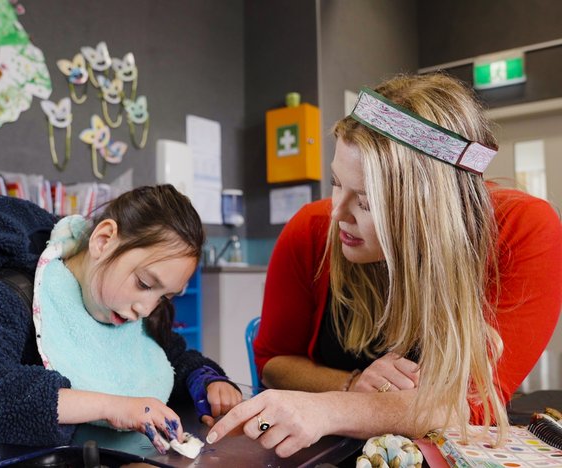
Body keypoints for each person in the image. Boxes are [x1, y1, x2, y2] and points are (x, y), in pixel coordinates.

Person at [206, 73, 562, 457]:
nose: (337, 213)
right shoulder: (310, 229)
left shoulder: (523, 230)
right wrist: (350, 384)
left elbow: (469, 404)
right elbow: (272, 364)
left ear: (432, 208)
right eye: (336, 182)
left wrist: (328, 409)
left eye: (368, 202)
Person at [0, 185, 242, 451]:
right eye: (145, 284)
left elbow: (174, 357)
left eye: (163, 296)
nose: (146, 309)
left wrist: (206, 379)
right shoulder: (9, 295)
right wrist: (112, 407)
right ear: (103, 240)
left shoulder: (128, 309)